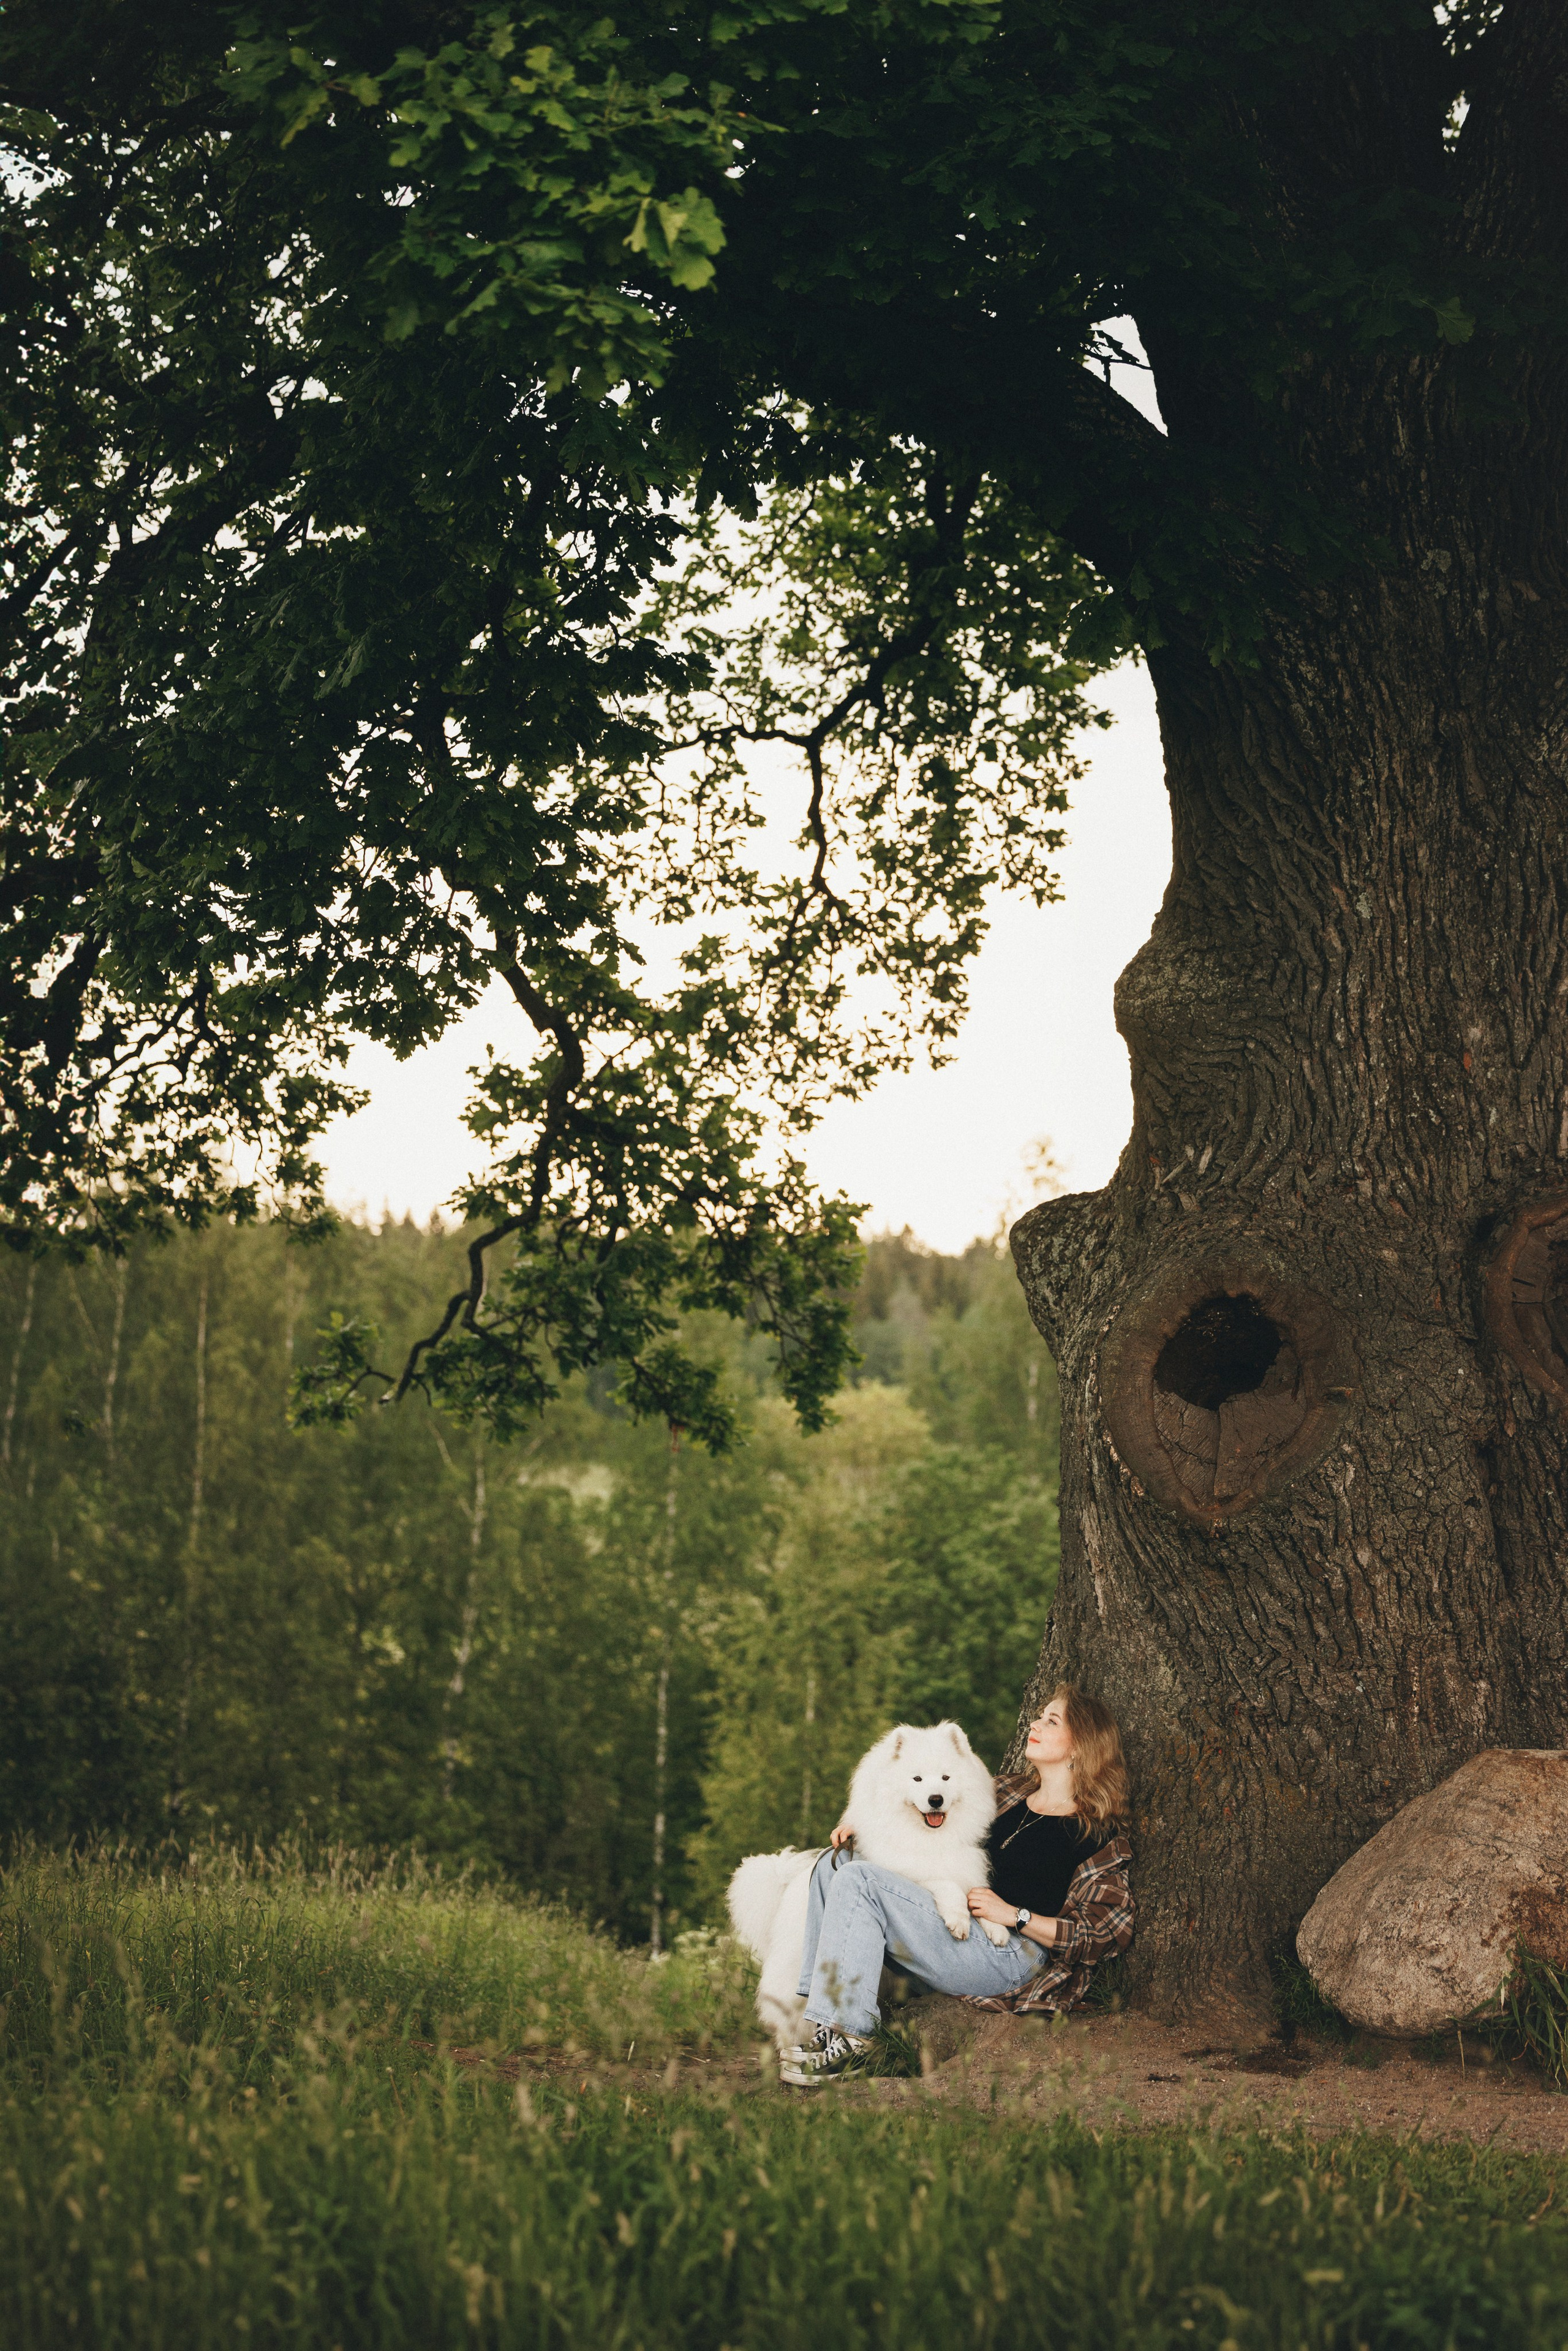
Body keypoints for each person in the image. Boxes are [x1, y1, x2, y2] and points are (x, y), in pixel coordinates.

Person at [779, 1683, 1134, 2088]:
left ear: (1081, 1745)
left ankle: (852, 2042)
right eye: (1040, 1715)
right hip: (952, 1931)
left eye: (1051, 1721)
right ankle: (827, 2026)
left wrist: (1016, 1916)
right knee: (837, 1862)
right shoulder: (1007, 1793)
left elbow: (1107, 1934)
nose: (1035, 1723)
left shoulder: (1097, 1835)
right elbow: (910, 1796)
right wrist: (861, 1822)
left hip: (1008, 1955)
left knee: (860, 1880)